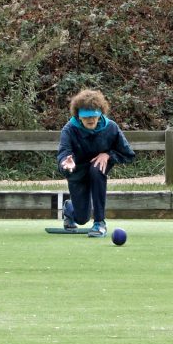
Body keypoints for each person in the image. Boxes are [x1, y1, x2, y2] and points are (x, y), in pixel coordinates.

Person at [56, 89, 135, 236]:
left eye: (94, 115)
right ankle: (70, 208)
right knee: (81, 219)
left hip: (97, 170)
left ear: (100, 114)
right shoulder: (69, 130)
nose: (90, 119)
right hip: (77, 172)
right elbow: (63, 154)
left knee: (97, 168)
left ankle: (99, 222)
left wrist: (108, 155)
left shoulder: (111, 127)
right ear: (79, 116)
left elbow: (128, 154)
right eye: (86, 117)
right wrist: (65, 164)